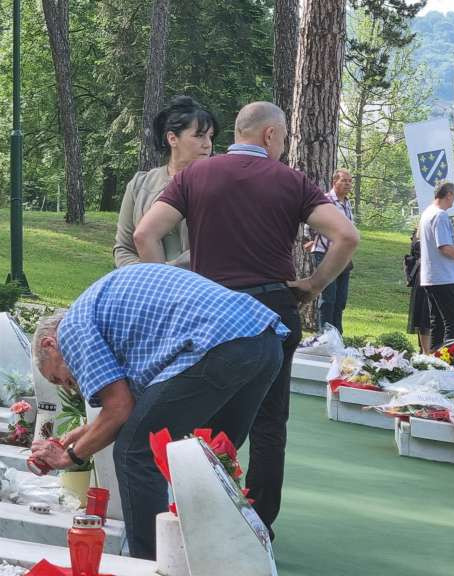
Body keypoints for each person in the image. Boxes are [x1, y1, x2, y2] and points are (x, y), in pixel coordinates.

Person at [132, 101, 359, 538]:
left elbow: (145, 234)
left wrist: (169, 289)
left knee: (197, 409)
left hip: (209, 309)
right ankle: (256, 523)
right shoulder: (292, 181)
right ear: (271, 135)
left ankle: (191, 511)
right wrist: (313, 284)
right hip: (270, 309)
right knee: (269, 421)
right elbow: (346, 236)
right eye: (285, 135)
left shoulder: (194, 176)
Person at [28, 264, 288, 560]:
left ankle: (151, 563)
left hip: (220, 344)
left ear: (50, 343)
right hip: (261, 342)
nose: (70, 387)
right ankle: (218, 557)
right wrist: (78, 435)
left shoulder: (72, 329)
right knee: (211, 458)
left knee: (134, 453)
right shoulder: (96, 313)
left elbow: (120, 409)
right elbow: (136, 409)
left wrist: (70, 457)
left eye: (59, 377)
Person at [113, 96, 217, 268]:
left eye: (210, 136)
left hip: (200, 288)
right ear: (172, 138)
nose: (207, 144)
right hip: (147, 288)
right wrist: (147, 277)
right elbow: (123, 248)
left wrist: (169, 270)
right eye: (199, 136)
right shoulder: (140, 184)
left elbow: (219, 248)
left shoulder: (220, 184)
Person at [418, 182, 454, 348]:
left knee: (438, 323)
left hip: (431, 276)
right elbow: (444, 246)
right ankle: (451, 363)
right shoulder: (440, 215)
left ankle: (436, 361)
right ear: (448, 194)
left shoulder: (427, 212)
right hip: (443, 276)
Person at [306, 168, 356, 333]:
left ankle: (337, 335)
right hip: (325, 254)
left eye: (349, 181)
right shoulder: (325, 200)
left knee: (340, 299)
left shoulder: (347, 203)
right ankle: (325, 335)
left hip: (343, 256)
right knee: (329, 297)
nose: (348, 184)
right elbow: (310, 223)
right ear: (334, 182)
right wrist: (311, 240)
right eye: (344, 181)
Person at [406, 229, 432, 353]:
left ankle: (425, 350)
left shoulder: (419, 239)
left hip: (424, 278)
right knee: (424, 315)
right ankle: (425, 350)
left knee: (425, 315)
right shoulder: (420, 242)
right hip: (424, 279)